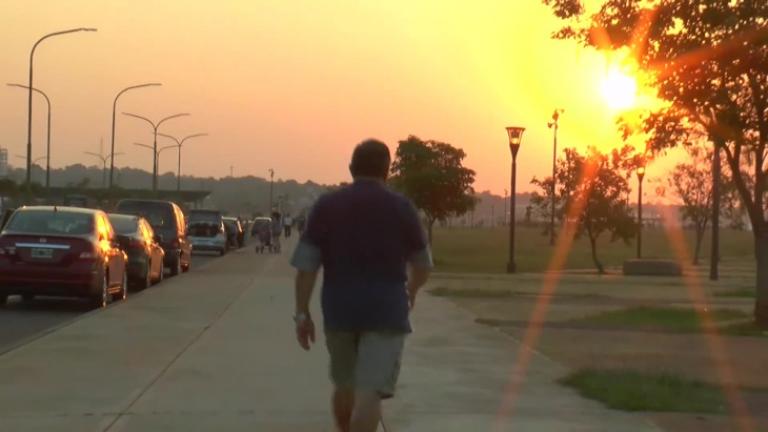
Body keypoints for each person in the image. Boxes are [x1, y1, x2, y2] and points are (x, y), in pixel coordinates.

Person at [290, 139, 432, 432]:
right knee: (370, 393)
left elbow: (306, 267)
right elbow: (423, 263)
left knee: (344, 384)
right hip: (387, 312)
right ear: (387, 171)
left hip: (340, 311)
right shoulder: (402, 207)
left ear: (351, 168)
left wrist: (302, 314)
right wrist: (412, 291)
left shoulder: (327, 206)